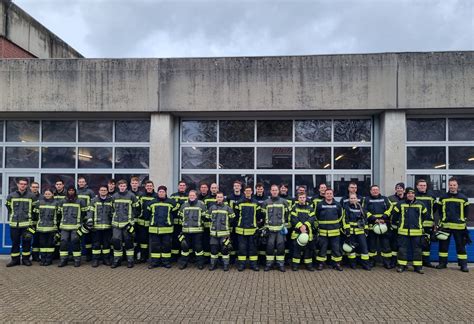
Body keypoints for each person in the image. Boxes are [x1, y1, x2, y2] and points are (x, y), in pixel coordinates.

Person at [436, 177, 470, 272]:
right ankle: (442, 263)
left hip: (459, 227)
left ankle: (463, 265)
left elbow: (467, 212)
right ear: (448, 185)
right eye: (450, 185)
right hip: (445, 226)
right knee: (443, 246)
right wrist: (442, 220)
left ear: (457, 185)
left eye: (454, 185)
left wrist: (463, 220)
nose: (452, 187)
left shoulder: (463, 198)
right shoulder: (443, 198)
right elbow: (439, 211)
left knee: (461, 246)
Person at [391, 187, 428, 274]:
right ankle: (401, 266)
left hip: (417, 232)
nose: (410, 195)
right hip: (403, 231)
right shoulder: (400, 204)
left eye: (412, 193)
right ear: (406, 194)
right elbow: (394, 216)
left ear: (414, 194)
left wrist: (418, 224)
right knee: (402, 249)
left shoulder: (421, 204)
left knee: (417, 250)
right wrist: (399, 225)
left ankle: (418, 267)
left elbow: (425, 216)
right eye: (408, 193)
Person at [5, 178, 36, 267]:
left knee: (27, 242)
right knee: (15, 242)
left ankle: (26, 259)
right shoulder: (11, 196)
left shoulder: (31, 196)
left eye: (24, 184)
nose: (23, 185)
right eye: (21, 184)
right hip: (14, 224)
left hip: (27, 224)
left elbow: (35, 211)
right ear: (18, 185)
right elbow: (9, 208)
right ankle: (15, 260)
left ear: (27, 186)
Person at [147, 185, 178, 269]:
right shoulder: (152, 202)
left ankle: (166, 262)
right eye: (160, 192)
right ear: (158, 192)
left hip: (167, 229)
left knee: (166, 246)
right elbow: (148, 214)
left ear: (166, 192)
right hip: (154, 229)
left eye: (163, 192)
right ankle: (154, 262)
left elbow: (174, 214)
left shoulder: (171, 202)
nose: (161, 193)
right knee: (155, 246)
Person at [110, 179, 139, 269]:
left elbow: (136, 209)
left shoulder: (131, 196)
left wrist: (132, 220)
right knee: (116, 242)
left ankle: (130, 260)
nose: (122, 188)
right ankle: (117, 260)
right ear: (118, 187)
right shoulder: (114, 196)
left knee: (128, 242)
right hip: (116, 224)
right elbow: (111, 210)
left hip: (127, 224)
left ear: (126, 187)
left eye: (124, 186)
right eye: (121, 186)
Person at [315, 188, 345, 271]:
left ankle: (337, 264)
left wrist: (335, 224)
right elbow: (316, 216)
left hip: (335, 231)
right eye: (327, 193)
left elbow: (341, 216)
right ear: (324, 195)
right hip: (323, 232)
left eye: (330, 193)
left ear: (333, 195)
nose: (329, 195)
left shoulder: (338, 204)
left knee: (336, 248)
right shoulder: (320, 204)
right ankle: (321, 263)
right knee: (322, 248)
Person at [363, 185, 393, 269]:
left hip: (383, 225)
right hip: (372, 225)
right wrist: (373, 218)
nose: (375, 191)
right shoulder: (366, 199)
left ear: (379, 191)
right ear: (370, 191)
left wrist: (385, 217)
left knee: (385, 244)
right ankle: (372, 261)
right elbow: (364, 210)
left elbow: (391, 207)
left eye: (376, 190)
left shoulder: (385, 198)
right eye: (373, 190)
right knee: (372, 245)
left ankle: (387, 262)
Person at [58, 186, 88, 267]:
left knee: (75, 242)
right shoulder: (62, 201)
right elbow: (59, 214)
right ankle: (63, 260)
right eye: (69, 190)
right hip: (64, 226)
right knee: (63, 242)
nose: (71, 192)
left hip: (76, 226)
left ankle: (77, 260)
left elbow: (84, 214)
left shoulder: (80, 201)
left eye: (72, 190)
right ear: (67, 191)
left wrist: (82, 223)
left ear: (75, 191)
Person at [261, 184, 289, 272]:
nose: (274, 192)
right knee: (270, 247)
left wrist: (285, 226)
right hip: (270, 229)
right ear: (270, 191)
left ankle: (280, 264)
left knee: (281, 247)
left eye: (276, 190)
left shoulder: (284, 202)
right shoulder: (266, 202)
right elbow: (262, 215)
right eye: (273, 190)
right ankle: (269, 264)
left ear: (278, 191)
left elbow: (287, 215)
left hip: (280, 229)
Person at [177, 190, 207, 269]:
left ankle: (200, 263)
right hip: (186, 230)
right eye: (190, 195)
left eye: (193, 195)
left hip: (198, 231)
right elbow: (179, 215)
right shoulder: (184, 205)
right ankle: (183, 263)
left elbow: (205, 216)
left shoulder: (201, 205)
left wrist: (200, 224)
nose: (191, 197)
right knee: (185, 248)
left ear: (196, 196)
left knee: (198, 248)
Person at [235, 186, 261, 271]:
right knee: (242, 248)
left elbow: (259, 216)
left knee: (253, 248)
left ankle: (253, 265)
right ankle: (241, 265)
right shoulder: (239, 203)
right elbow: (236, 216)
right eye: (246, 191)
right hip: (241, 230)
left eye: (249, 191)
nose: (248, 192)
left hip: (252, 230)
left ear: (252, 192)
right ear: (244, 192)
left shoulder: (256, 203)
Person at [208, 192, 235, 271]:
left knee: (225, 249)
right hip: (213, 233)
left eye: (221, 197)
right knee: (213, 250)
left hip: (224, 234)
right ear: (216, 198)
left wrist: (226, 225)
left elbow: (232, 218)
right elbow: (207, 217)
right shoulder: (212, 207)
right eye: (218, 197)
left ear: (223, 198)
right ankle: (213, 264)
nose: (219, 198)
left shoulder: (227, 208)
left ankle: (226, 265)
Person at [343, 193, 371, 270]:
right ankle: (353, 264)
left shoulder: (361, 208)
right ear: (349, 199)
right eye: (351, 198)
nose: (353, 200)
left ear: (357, 199)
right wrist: (347, 229)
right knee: (351, 249)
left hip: (360, 232)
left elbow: (365, 220)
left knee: (364, 248)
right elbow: (345, 219)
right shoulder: (346, 208)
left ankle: (365, 264)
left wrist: (366, 229)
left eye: (354, 198)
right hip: (351, 232)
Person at [34, 188, 61, 266]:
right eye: (46, 194)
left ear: (52, 194)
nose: (47, 195)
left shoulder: (56, 203)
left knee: (50, 244)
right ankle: (43, 259)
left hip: (52, 228)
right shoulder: (39, 203)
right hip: (41, 228)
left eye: (49, 194)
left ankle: (49, 260)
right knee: (42, 244)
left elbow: (59, 215)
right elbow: (35, 215)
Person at [290, 192, 316, 271]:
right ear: (298, 198)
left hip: (308, 231)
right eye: (300, 197)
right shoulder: (294, 207)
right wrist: (300, 226)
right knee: (296, 250)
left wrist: (305, 225)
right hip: (297, 232)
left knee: (308, 250)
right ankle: (295, 265)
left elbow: (312, 218)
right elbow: (293, 218)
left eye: (303, 197)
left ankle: (309, 265)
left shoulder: (310, 208)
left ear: (306, 198)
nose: (302, 199)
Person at [89, 185, 114, 267]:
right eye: (101, 190)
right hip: (96, 227)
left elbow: (113, 212)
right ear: (99, 191)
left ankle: (106, 259)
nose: (103, 191)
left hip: (107, 226)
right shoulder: (94, 200)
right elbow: (90, 212)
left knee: (106, 244)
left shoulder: (111, 200)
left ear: (107, 191)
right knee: (96, 244)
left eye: (104, 190)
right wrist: (90, 222)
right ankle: (96, 260)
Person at [414, 179, 437, 268]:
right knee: (417, 243)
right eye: (420, 185)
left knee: (427, 243)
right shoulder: (413, 195)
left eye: (424, 185)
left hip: (428, 224)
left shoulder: (432, 196)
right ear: (417, 186)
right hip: (416, 224)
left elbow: (434, 209)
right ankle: (418, 261)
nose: (422, 187)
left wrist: (435, 223)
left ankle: (426, 261)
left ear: (426, 186)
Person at [135, 180, 157, 263]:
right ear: (145, 187)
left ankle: (151, 257)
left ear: (153, 187)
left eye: (150, 186)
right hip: (141, 223)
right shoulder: (141, 196)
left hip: (152, 223)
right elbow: (137, 208)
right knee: (143, 241)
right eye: (147, 186)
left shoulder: (156, 196)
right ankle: (143, 257)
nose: (149, 187)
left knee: (152, 241)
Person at [76, 176, 96, 261]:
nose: (81, 183)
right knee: (77, 237)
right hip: (77, 218)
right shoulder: (75, 192)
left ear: (85, 183)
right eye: (80, 182)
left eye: (82, 182)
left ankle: (89, 255)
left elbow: (93, 203)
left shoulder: (90, 192)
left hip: (87, 217)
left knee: (88, 238)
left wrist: (90, 217)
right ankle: (78, 255)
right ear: (78, 183)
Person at [388, 182, 406, 268]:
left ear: (404, 190)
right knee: (394, 245)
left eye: (401, 188)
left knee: (403, 245)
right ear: (395, 189)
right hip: (394, 225)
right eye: (397, 188)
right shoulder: (390, 199)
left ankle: (402, 263)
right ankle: (393, 262)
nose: (399, 189)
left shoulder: (407, 199)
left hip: (405, 226)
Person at [170, 180, 189, 260]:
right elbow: (170, 208)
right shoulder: (173, 196)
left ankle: (185, 256)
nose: (182, 187)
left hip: (185, 223)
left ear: (186, 187)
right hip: (175, 222)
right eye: (180, 185)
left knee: (185, 240)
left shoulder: (189, 196)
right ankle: (175, 257)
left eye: (183, 185)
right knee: (175, 240)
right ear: (178, 186)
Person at [29, 181, 41, 262]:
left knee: (37, 240)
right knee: (27, 239)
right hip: (28, 222)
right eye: (33, 187)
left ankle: (35, 256)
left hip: (38, 223)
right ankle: (26, 256)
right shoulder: (27, 196)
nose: (35, 188)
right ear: (30, 188)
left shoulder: (42, 197)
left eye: (36, 187)